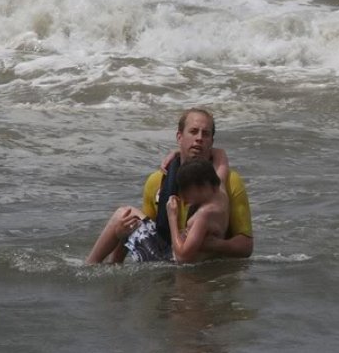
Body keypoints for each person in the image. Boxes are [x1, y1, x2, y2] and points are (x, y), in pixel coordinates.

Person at [86, 108, 253, 264]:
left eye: (206, 134)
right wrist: (120, 236)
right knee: (124, 215)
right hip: (166, 257)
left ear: (211, 142)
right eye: (193, 131)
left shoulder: (229, 182)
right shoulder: (157, 180)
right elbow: (147, 230)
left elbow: (246, 247)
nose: (200, 138)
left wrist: (213, 244)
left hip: (203, 264)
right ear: (179, 137)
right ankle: (90, 267)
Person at [165, 159, 229, 264]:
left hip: (187, 271)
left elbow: (182, 257)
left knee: (133, 215)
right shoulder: (220, 191)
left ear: (201, 187)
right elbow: (222, 163)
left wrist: (172, 217)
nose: (183, 196)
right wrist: (175, 153)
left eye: (186, 190)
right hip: (208, 264)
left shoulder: (204, 215)